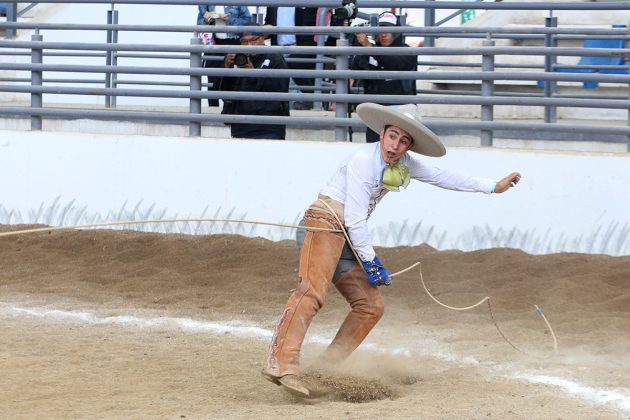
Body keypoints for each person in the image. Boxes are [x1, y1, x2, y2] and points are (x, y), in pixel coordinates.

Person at [261, 102, 522, 398]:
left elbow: (443, 176)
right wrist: (371, 263)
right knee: (312, 292)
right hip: (324, 223)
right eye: (393, 137)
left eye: (404, 141)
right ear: (382, 133)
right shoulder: (363, 160)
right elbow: (357, 217)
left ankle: (325, 370)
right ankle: (281, 364)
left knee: (371, 306)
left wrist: (492, 187)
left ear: (409, 146)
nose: (396, 146)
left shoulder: (404, 163)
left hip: (345, 235)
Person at [351, 12, 418, 142]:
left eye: (388, 30)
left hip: (400, 112)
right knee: (373, 150)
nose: (384, 34)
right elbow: (353, 73)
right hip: (375, 112)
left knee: (398, 152)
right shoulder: (369, 50)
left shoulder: (406, 50)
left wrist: (369, 48)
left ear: (396, 33)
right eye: (381, 30)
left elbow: (395, 63)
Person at [220, 22, 290, 140]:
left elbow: (279, 90)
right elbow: (224, 94)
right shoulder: (237, 59)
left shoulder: (275, 59)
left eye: (253, 40)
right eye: (244, 42)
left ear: (262, 38)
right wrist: (227, 69)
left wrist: (253, 74)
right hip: (241, 126)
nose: (248, 45)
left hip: (268, 127)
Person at [264, 7, 319, 110]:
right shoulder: (272, 4)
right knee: (281, 84)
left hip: (299, 48)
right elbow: (268, 23)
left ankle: (295, 112)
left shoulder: (304, 2)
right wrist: (265, 29)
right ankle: (284, 111)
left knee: (294, 84)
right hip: (278, 50)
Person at [196, 4, 252, 107]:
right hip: (213, 44)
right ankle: (213, 114)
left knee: (233, 81)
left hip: (234, 43)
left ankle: (230, 113)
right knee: (213, 82)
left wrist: (229, 20)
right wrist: (208, 19)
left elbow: (248, 21)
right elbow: (199, 24)